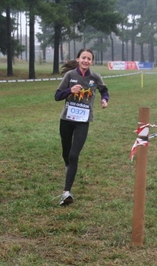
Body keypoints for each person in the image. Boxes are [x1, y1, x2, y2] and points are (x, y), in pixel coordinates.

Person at [54, 48, 109, 206]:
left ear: (92, 61)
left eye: (89, 59)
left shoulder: (95, 77)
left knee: (74, 155)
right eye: (83, 58)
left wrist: (104, 100)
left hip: (83, 122)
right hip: (66, 120)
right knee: (66, 152)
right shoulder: (70, 76)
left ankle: (66, 192)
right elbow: (57, 96)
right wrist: (69, 90)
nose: (86, 61)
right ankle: (67, 167)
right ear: (78, 59)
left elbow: (104, 90)